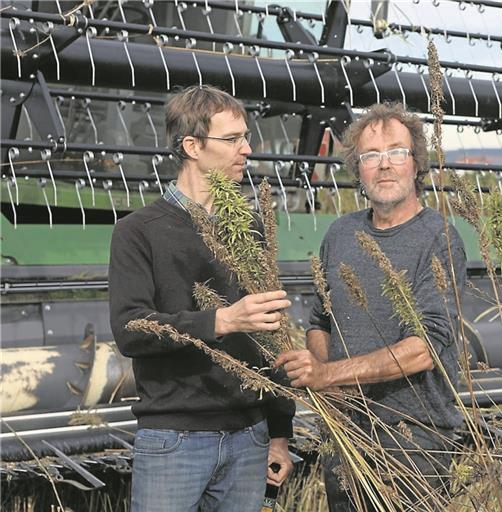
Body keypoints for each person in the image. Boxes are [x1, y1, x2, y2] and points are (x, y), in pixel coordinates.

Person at [109, 85, 295, 512]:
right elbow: (130, 330)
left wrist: (280, 433)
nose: (246, 149)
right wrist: (223, 321)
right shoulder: (138, 231)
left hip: (250, 437)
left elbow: (272, 336)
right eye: (232, 139)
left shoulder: (249, 228)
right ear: (191, 145)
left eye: (246, 137)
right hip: (175, 439)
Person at [275, 102, 466, 510]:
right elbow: (319, 322)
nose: (384, 166)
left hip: (414, 445)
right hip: (344, 438)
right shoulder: (340, 235)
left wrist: (328, 375)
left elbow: (424, 348)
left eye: (397, 152)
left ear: (416, 164)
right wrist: (329, 385)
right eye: (371, 156)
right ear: (357, 170)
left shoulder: (439, 239)